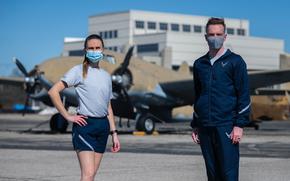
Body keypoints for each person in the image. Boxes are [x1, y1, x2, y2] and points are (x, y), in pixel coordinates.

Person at [48, 34, 120, 181]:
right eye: (91, 48)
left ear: (103, 50)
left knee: (92, 175)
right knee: (87, 175)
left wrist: (114, 133)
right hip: (85, 126)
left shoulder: (106, 77)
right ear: (85, 50)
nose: (94, 51)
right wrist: (67, 116)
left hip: (103, 128)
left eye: (97, 48)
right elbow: (53, 91)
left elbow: (109, 108)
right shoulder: (78, 71)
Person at [191, 17, 251, 181]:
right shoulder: (199, 64)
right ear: (205, 37)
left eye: (218, 34)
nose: (215, 38)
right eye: (211, 34)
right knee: (212, 174)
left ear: (225, 36)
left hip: (226, 126)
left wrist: (239, 124)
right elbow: (198, 95)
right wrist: (195, 124)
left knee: (228, 174)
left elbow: (244, 95)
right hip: (205, 126)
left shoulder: (235, 62)